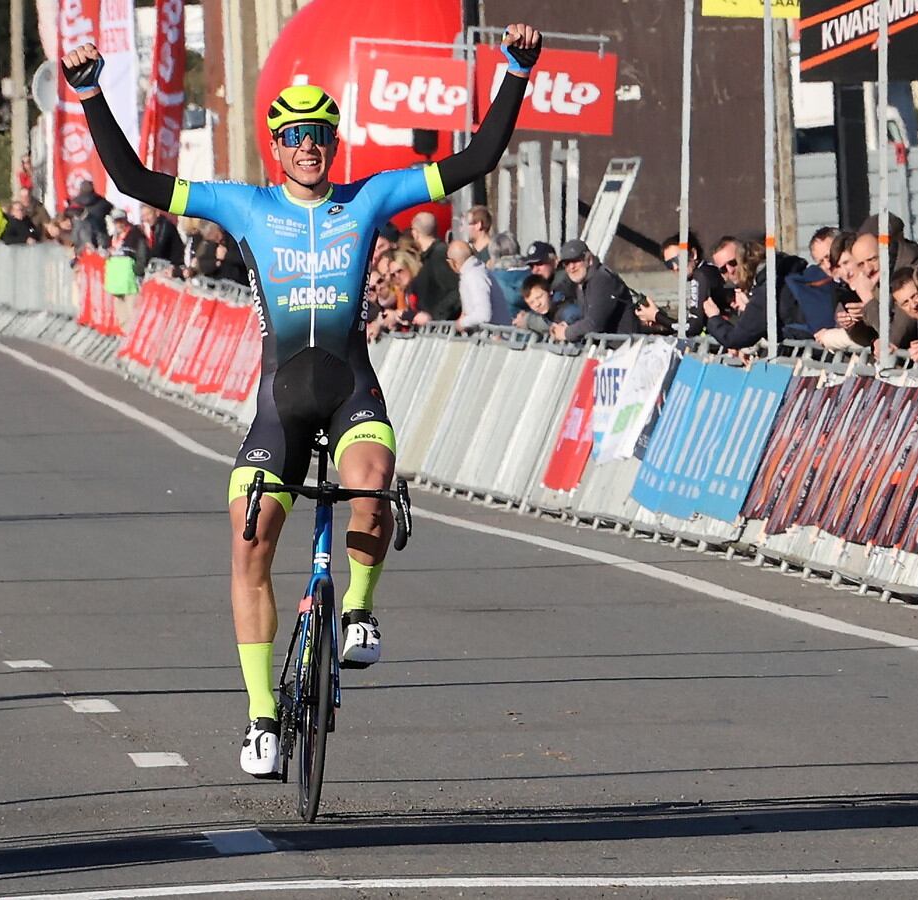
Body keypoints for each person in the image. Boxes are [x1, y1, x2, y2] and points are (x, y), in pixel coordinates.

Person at [63, 21, 544, 777]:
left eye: (320, 134)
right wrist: (89, 92)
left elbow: (478, 157)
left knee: (374, 487)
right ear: (275, 147)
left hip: (351, 389)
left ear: (334, 141)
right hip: (280, 405)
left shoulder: (372, 195)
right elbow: (134, 180)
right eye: (294, 137)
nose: (308, 147)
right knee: (250, 543)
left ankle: (356, 609)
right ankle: (260, 717)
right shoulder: (244, 205)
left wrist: (516, 70)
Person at [548, 239, 636, 342]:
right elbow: (589, 317)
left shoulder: (602, 279)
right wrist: (567, 326)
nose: (571, 267)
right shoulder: (582, 282)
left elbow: (594, 324)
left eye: (576, 260)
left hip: (623, 349)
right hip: (607, 348)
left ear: (588, 259)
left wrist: (566, 332)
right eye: (566, 263)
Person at [447, 239, 508, 332]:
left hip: (493, 338)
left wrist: (462, 323)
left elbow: (483, 314)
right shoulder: (475, 272)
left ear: (453, 262)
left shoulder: (474, 276)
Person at [513, 273, 580, 337]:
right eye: (531, 303)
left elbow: (575, 314)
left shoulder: (564, 306)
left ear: (550, 292)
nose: (537, 304)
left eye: (539, 297)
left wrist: (567, 326)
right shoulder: (547, 312)